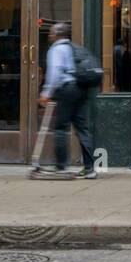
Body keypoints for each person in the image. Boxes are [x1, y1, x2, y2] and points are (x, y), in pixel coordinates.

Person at [37, 21, 96, 179]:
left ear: (57, 34)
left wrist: (46, 92)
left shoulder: (56, 49)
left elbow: (55, 73)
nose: (49, 35)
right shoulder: (74, 47)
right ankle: (90, 169)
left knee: (61, 128)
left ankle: (61, 166)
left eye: (51, 32)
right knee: (82, 128)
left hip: (67, 89)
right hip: (81, 89)